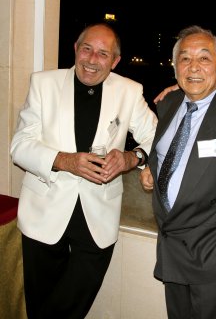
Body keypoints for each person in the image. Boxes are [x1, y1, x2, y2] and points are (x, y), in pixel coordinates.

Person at [10, 23, 158, 319]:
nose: (92, 59)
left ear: (115, 61)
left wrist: (133, 158)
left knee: (70, 305)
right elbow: (19, 146)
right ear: (76, 50)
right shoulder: (43, 83)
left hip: (98, 218)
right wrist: (64, 160)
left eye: (103, 53)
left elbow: (157, 137)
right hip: (43, 213)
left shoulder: (129, 91)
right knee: (42, 305)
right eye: (87, 49)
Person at [140, 25, 216, 319]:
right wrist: (150, 169)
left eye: (204, 58)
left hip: (213, 254)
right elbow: (163, 150)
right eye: (184, 58)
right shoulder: (168, 103)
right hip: (171, 245)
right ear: (175, 67)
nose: (193, 66)